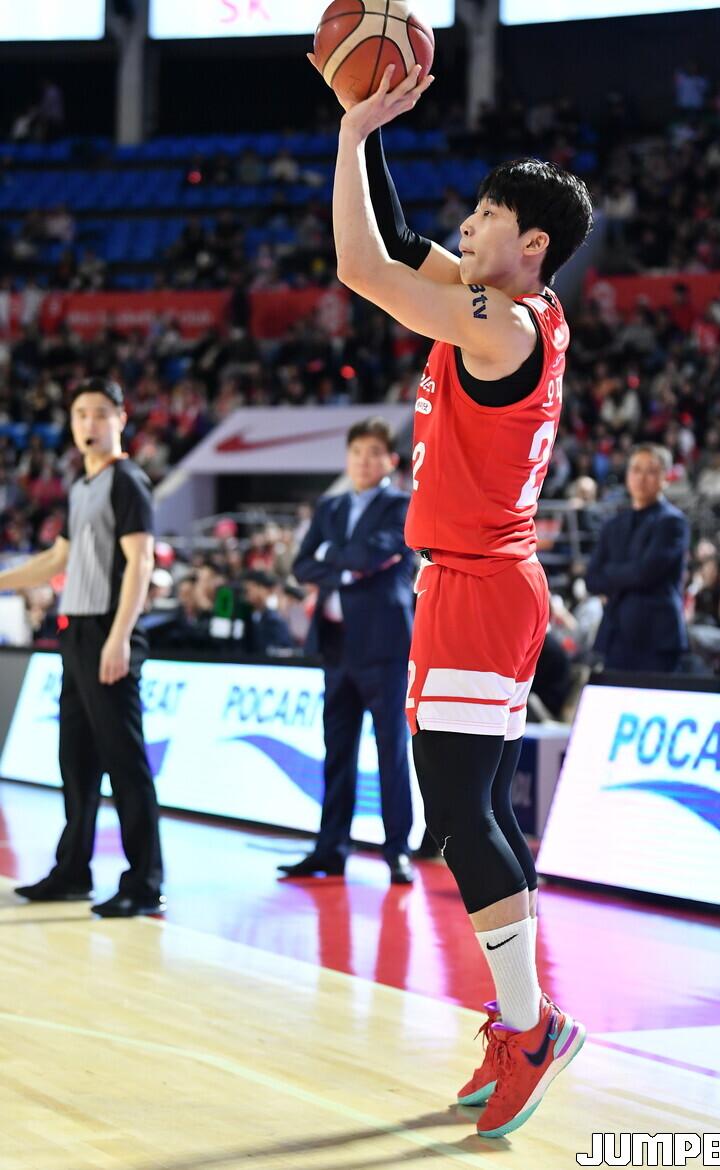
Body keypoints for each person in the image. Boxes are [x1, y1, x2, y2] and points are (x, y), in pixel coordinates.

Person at [314, 58, 592, 1138]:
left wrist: (351, 138)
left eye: (485, 216)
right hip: (474, 582)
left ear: (532, 245)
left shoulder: (501, 325)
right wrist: (368, 123)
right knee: (476, 813)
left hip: (480, 585)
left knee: (460, 816)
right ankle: (522, 1019)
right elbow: (387, 237)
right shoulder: (506, 308)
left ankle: (531, 1027)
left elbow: (359, 265)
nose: (466, 225)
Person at [1, 377, 164, 916]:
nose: (89, 423)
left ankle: (144, 882)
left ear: (121, 419)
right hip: (75, 633)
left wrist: (120, 637)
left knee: (124, 762)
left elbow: (141, 562)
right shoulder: (80, 485)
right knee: (75, 759)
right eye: (80, 414)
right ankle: (73, 871)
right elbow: (57, 559)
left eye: (99, 413)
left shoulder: (128, 482)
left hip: (108, 631)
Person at [281, 417, 416, 885]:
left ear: (390, 460)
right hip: (336, 645)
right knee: (337, 750)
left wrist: (333, 559)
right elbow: (302, 564)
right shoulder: (331, 506)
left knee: (391, 752)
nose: (363, 461)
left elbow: (369, 555)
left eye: (374, 453)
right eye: (357, 452)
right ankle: (330, 848)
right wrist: (346, 569)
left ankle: (397, 850)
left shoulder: (403, 505)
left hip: (384, 646)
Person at [586, 445, 689, 673]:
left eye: (651, 471)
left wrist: (610, 572)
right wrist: (628, 572)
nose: (641, 478)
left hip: (657, 636)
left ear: (666, 477)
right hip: (616, 633)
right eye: (636, 469)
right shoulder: (613, 524)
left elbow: (645, 573)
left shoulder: (672, 522)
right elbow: (592, 579)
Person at [241, 569, 294, 656]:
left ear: (263, 589)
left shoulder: (275, 620)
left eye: (249, 590)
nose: (247, 594)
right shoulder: (246, 616)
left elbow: (284, 650)